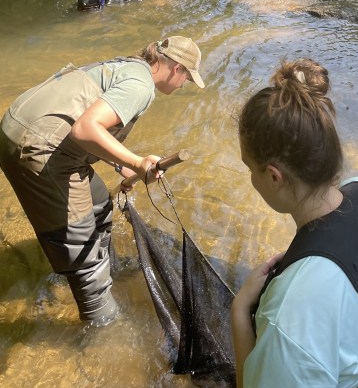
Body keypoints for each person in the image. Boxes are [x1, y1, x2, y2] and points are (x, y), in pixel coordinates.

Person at [231, 59, 358, 388]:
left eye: (250, 169)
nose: (251, 179)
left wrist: (241, 313)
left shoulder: (291, 312)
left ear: (274, 177)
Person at [0, 35, 205, 325]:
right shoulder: (141, 87)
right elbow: (85, 129)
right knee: (82, 252)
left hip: (16, 128)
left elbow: (82, 119)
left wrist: (123, 166)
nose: (184, 84)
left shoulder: (127, 66)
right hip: (38, 148)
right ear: (177, 68)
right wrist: (137, 162)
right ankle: (104, 325)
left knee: (99, 205)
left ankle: (109, 270)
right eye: (187, 78)